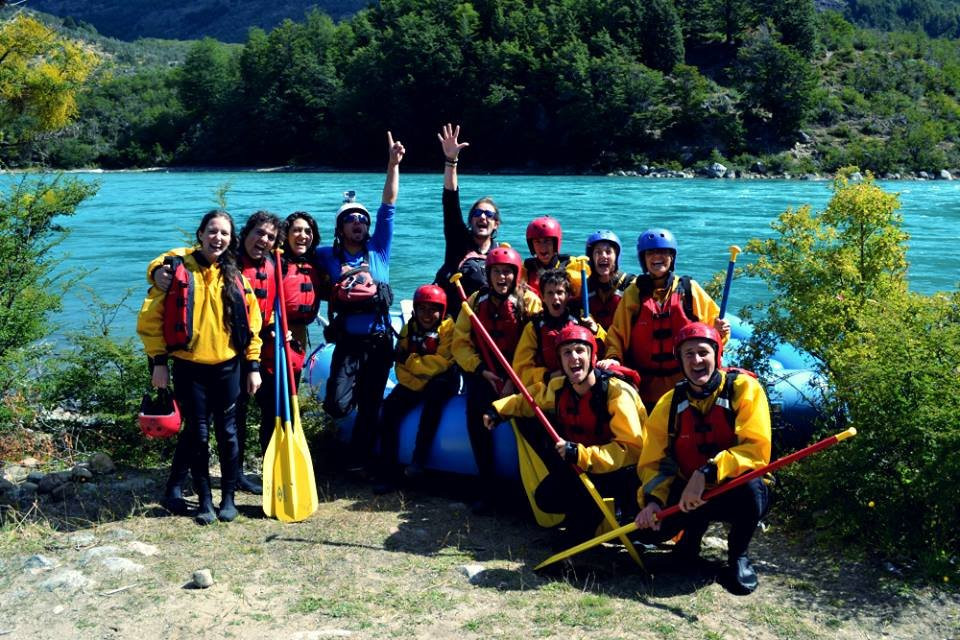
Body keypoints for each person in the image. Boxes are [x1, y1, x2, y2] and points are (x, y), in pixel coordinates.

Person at [137, 210, 263, 525]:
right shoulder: (177, 269)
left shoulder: (236, 277)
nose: (217, 238)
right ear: (201, 234)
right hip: (189, 368)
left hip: (228, 367)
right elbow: (150, 320)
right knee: (198, 435)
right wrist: (159, 362)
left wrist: (253, 365)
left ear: (231, 239)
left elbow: (253, 326)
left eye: (224, 233)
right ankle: (205, 500)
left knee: (229, 434)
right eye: (212, 231)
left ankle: (228, 499)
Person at [634, 322, 771, 595]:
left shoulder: (744, 389)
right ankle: (689, 541)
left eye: (703, 352)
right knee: (648, 531)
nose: (696, 360)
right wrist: (653, 501)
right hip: (689, 494)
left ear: (717, 355)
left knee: (751, 487)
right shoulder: (669, 404)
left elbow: (755, 449)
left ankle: (738, 554)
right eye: (689, 354)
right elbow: (654, 462)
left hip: (731, 487)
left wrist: (707, 472)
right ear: (680, 361)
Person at [485, 325, 645, 544]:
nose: (574, 357)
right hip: (583, 466)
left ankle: (608, 519)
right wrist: (498, 410)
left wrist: (582, 455)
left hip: (620, 473)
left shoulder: (616, 393)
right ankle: (585, 520)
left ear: (592, 355)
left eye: (580, 350)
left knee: (592, 516)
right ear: (560, 361)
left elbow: (631, 450)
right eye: (567, 352)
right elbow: (528, 400)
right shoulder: (560, 388)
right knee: (546, 497)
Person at [316, 132, 404, 473]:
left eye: (362, 220)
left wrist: (392, 165)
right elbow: (295, 255)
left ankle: (360, 460)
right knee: (338, 404)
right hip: (348, 342)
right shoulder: (326, 255)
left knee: (370, 405)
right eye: (351, 220)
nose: (358, 223)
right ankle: (342, 430)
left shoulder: (379, 248)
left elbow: (389, 205)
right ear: (340, 228)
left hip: (379, 341)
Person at [599, 228, 729, 410]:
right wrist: (613, 357)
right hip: (644, 387)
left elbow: (714, 333)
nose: (656, 257)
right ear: (643, 259)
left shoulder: (689, 290)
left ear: (671, 257)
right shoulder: (634, 293)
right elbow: (618, 334)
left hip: (687, 384)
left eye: (662, 252)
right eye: (650, 253)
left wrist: (720, 331)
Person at [452, 246, 541, 512]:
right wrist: (481, 370)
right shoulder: (474, 301)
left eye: (507, 272)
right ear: (488, 274)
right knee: (476, 415)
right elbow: (460, 344)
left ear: (516, 274)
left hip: (520, 373)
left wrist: (514, 379)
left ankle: (533, 487)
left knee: (530, 420)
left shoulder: (529, 301)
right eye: (497, 272)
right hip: (487, 373)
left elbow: (535, 345)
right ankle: (488, 487)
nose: (502, 277)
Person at [371, 284, 458, 494]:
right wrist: (417, 379)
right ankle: (389, 472)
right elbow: (399, 367)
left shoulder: (448, 330)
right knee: (389, 410)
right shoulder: (409, 329)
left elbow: (441, 363)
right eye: (422, 309)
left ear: (442, 311)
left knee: (433, 403)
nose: (427, 315)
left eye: (432, 309)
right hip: (415, 381)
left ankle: (419, 461)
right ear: (415, 310)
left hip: (441, 381)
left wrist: (412, 363)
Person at [433, 123, 501, 317]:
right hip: (456, 322)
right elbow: (450, 201)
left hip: (488, 323)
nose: (482, 217)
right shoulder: (459, 243)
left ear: (496, 224)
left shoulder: (501, 254)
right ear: (470, 221)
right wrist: (451, 161)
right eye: (477, 214)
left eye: (489, 215)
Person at [512, 268, 604, 389]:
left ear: (568, 295)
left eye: (560, 292)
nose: (555, 298)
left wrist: (596, 331)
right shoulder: (534, 327)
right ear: (542, 297)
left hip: (582, 382)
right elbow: (521, 369)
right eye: (550, 293)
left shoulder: (582, 319)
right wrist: (548, 376)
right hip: (551, 386)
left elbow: (604, 348)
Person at [522, 216, 589, 299]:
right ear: (532, 245)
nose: (542, 247)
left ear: (555, 243)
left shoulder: (574, 265)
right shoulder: (526, 269)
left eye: (547, 241)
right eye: (537, 242)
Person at [583, 230, 635, 331]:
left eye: (608, 252)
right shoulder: (586, 287)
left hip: (623, 338)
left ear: (616, 257)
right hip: (595, 339)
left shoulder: (630, 283)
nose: (603, 256)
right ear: (591, 258)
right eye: (598, 252)